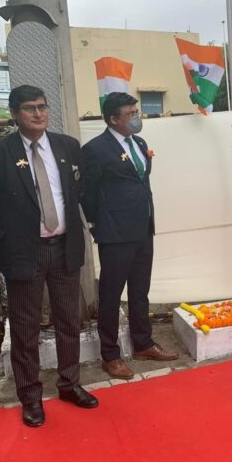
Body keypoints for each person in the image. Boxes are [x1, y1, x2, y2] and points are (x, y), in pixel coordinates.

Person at [0, 85, 98, 428]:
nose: (38, 113)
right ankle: (30, 396)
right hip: (25, 252)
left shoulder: (67, 146)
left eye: (42, 107)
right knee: (25, 328)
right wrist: (8, 227)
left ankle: (70, 383)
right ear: (15, 114)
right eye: (29, 108)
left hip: (65, 247)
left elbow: (77, 190)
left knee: (69, 321)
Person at [81, 92, 177, 381]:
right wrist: (98, 226)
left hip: (143, 229)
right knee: (111, 296)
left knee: (140, 291)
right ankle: (110, 355)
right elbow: (86, 193)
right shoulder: (95, 149)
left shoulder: (140, 143)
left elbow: (141, 182)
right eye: (131, 114)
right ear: (113, 119)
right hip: (114, 234)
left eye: (137, 111)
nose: (137, 117)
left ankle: (143, 344)